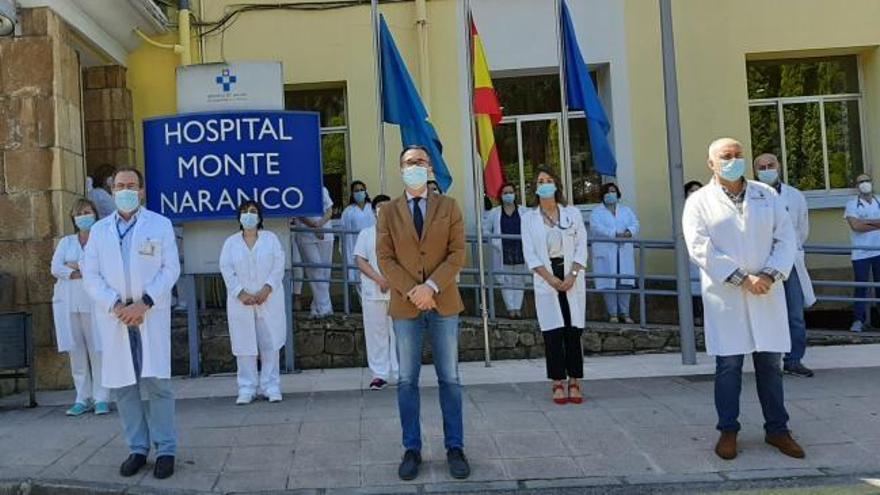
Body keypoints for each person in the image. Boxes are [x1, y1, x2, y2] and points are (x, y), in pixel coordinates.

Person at [683, 137, 804, 461]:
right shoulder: (699, 201)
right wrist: (742, 278)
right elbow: (699, 247)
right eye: (726, 156)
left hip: (766, 290)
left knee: (770, 365)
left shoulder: (766, 195)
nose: (733, 160)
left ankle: (778, 430)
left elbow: (786, 237)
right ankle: (728, 430)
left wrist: (769, 274)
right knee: (729, 366)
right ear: (711, 163)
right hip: (728, 295)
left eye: (738, 155)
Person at [377, 145, 469, 481]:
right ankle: (411, 448)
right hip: (406, 305)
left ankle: (455, 447)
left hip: (443, 302)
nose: (413, 167)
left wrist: (431, 287)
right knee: (406, 381)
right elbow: (385, 258)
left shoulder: (449, 206)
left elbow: (458, 253)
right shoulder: (387, 211)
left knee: (450, 379)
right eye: (407, 163)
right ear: (400, 169)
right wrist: (414, 291)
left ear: (429, 167)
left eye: (419, 162)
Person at [82, 168, 181, 479]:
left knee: (158, 385)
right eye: (120, 185)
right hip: (115, 318)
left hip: (149, 314)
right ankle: (138, 448)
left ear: (141, 191)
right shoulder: (99, 231)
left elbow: (170, 268)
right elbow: (91, 275)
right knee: (124, 387)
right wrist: (115, 305)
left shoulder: (160, 224)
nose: (125, 190)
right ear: (112, 191)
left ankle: (165, 450)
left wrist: (145, 303)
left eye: (131, 185)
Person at [521, 168, 588, 405]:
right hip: (546, 277)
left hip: (571, 275)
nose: (545, 184)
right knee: (552, 332)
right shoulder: (529, 218)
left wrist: (572, 275)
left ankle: (575, 380)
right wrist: (551, 279)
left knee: (573, 330)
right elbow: (530, 253)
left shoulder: (572, 213)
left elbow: (582, 246)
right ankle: (557, 382)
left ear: (557, 185)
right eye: (541, 181)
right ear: (535, 187)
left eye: (549, 180)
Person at [754, 154, 816, 378]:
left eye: (770, 165)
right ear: (755, 170)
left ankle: (794, 360)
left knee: (795, 315)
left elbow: (802, 229)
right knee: (767, 316)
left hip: (790, 263)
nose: (767, 169)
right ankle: (770, 363)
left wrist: (787, 251)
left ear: (778, 166)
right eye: (761, 167)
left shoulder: (795, 196)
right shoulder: (750, 196)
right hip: (762, 265)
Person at [219, 200, 287, 405]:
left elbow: (278, 264)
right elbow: (226, 269)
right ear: (239, 217)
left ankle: (271, 386)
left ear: (259, 217)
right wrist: (240, 293)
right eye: (244, 212)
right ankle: (246, 387)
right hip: (241, 302)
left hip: (269, 298)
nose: (248, 215)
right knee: (244, 344)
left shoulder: (271, 239)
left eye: (253, 211)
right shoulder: (231, 242)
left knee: (270, 343)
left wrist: (267, 289)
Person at [51, 198, 110, 416]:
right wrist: (80, 270)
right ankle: (81, 398)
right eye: (79, 213)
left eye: (87, 212)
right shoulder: (66, 242)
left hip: (94, 304)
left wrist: (75, 266)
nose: (84, 216)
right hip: (69, 304)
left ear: (95, 214)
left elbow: (103, 267)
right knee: (76, 351)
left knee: (98, 350)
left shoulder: (102, 240)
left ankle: (101, 397)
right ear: (73, 219)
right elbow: (55, 267)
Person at [353, 194, 398, 391]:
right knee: (376, 333)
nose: (382, 209)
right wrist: (379, 279)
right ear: (374, 211)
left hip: (398, 291)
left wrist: (393, 280)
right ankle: (380, 374)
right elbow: (360, 260)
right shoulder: (366, 234)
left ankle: (401, 372)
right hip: (373, 290)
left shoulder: (402, 233)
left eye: (386, 206)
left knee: (399, 333)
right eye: (379, 206)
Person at [589, 182, 639, 324]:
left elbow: (635, 223)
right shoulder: (596, 212)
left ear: (617, 194)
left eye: (613, 191)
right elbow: (596, 228)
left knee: (625, 283)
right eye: (607, 192)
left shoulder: (626, 210)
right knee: (609, 284)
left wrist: (628, 233)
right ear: (603, 195)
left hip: (623, 250)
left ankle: (625, 313)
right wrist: (615, 234)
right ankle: (613, 314)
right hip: (606, 252)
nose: (611, 194)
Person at [485, 183, 528, 318]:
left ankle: (518, 308)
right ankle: (510, 309)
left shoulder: (524, 212)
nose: (508, 195)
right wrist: (493, 239)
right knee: (506, 280)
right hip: (502, 250)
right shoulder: (495, 213)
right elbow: (485, 229)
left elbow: (533, 228)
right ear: (501, 196)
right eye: (505, 193)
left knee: (519, 279)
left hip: (520, 249)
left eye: (510, 192)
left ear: (515, 194)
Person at [844, 173, 880, 333]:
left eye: (866, 180)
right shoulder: (852, 204)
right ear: (856, 186)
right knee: (861, 287)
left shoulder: (879, 200)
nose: (864, 184)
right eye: (861, 182)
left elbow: (860, 224)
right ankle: (858, 320)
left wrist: (865, 222)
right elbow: (856, 226)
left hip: (879, 251)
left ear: (871, 183)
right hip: (861, 254)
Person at [295, 186, 335, 318]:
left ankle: (316, 307)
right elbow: (298, 213)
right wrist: (314, 227)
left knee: (325, 272)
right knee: (315, 270)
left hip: (326, 233)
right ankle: (326, 309)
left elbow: (329, 210)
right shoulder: (296, 189)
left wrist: (320, 225)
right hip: (306, 235)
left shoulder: (322, 189)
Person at [341, 181, 375, 286]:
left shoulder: (372, 208)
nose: (359, 192)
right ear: (352, 193)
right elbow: (345, 235)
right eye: (356, 191)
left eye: (361, 190)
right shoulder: (348, 211)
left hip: (373, 247)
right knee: (359, 279)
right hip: (356, 249)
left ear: (365, 192)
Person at [684, 180, 704, 325]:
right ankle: (695, 316)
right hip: (689, 251)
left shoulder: (709, 208)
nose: (695, 193)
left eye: (698, 190)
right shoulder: (682, 208)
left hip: (707, 251)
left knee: (706, 286)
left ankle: (705, 316)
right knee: (692, 286)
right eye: (692, 190)